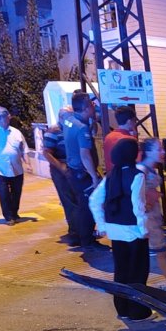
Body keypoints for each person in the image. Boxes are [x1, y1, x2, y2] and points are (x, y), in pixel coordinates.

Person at [89, 138, 153, 320]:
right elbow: (137, 206)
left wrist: (101, 225)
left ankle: (122, 310)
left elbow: (94, 200)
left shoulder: (111, 175)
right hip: (133, 231)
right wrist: (143, 229)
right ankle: (138, 312)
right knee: (138, 273)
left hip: (115, 231)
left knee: (121, 271)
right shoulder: (137, 175)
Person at [64, 91, 107, 252]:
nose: (93, 106)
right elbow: (85, 154)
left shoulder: (69, 120)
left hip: (73, 171)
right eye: (90, 104)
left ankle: (84, 237)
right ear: (84, 107)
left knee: (82, 206)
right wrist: (94, 176)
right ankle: (88, 241)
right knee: (88, 207)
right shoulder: (82, 128)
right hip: (82, 174)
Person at [137, 138, 166, 290]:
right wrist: (149, 200)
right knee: (157, 253)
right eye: (159, 149)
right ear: (148, 152)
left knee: (156, 254)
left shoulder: (149, 169)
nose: (163, 152)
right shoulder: (141, 171)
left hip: (153, 219)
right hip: (147, 221)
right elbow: (135, 196)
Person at [43, 106, 80, 246]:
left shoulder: (72, 129)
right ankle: (75, 233)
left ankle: (82, 230)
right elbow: (47, 153)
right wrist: (62, 167)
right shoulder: (53, 131)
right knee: (69, 201)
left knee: (78, 200)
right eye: (70, 116)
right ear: (62, 117)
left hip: (74, 169)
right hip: (61, 171)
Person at [103, 106, 137, 175]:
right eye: (134, 120)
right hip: (125, 179)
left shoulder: (108, 137)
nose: (135, 123)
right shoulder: (130, 140)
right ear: (129, 121)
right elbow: (137, 162)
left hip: (111, 178)